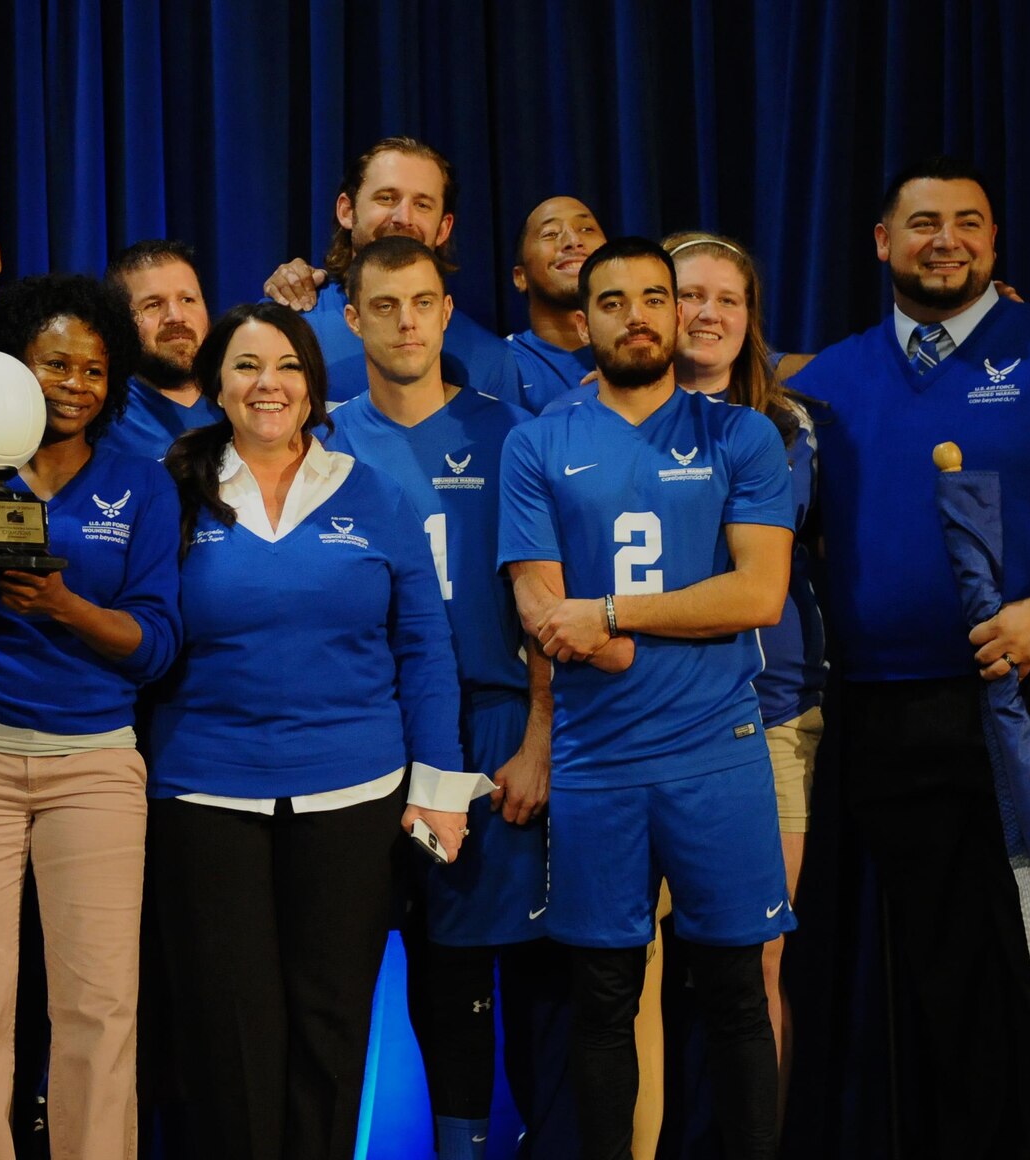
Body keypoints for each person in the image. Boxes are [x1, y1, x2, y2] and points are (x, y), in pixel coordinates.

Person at [792, 155, 1030, 1159]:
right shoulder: (826, 384)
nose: (947, 238)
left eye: (968, 222)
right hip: (896, 715)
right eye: (924, 221)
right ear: (880, 242)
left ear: (993, 242)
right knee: (941, 970)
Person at [147, 301, 487, 1159]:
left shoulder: (372, 493)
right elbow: (132, 630)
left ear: (312, 384)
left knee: (330, 1027)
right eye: (248, 366)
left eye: (289, 366)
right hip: (204, 796)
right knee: (231, 1033)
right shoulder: (170, 493)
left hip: (354, 797)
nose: (270, 384)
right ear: (217, 384)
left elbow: (426, 647)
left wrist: (441, 794)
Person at [499, 237, 794, 1160]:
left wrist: (616, 615)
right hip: (597, 761)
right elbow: (545, 612)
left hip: (719, 750)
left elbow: (758, 596)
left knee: (737, 994)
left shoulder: (742, 435)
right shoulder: (537, 441)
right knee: (601, 999)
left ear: (677, 314)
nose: (639, 316)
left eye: (655, 299)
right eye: (615, 301)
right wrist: (596, 627)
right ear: (583, 322)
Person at [0, 273, 181, 1160]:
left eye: (93, 371)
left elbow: (155, 646)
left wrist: (62, 604)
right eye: (54, 363)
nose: (73, 383)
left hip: (97, 766)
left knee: (99, 1005)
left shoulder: (141, 485)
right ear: (16, 366)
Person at [328, 235, 574, 1160]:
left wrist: (541, 736)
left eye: (421, 302)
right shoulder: (327, 438)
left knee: (505, 970)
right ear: (353, 319)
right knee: (401, 975)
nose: (405, 322)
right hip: (368, 732)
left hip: (493, 721)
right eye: (383, 306)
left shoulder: (508, 431)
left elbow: (545, 598)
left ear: (446, 309)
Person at [662, 230, 823, 1116]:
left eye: (730, 298)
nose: (709, 313)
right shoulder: (593, 417)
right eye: (690, 294)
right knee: (631, 966)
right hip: (633, 716)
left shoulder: (789, 426)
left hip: (768, 713)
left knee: (759, 959)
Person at [259, 136, 521, 404]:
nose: (403, 218)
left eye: (422, 205)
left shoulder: (491, 360)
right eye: (386, 198)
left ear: (443, 228)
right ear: (347, 211)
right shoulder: (281, 326)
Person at [99, 239, 220, 460]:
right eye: (153, 304)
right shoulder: (100, 414)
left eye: (187, 299)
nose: (175, 316)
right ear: (120, 320)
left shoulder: (242, 396)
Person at [506, 196, 603, 415]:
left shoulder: (651, 355)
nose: (573, 241)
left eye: (587, 229)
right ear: (520, 277)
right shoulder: (499, 366)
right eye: (550, 233)